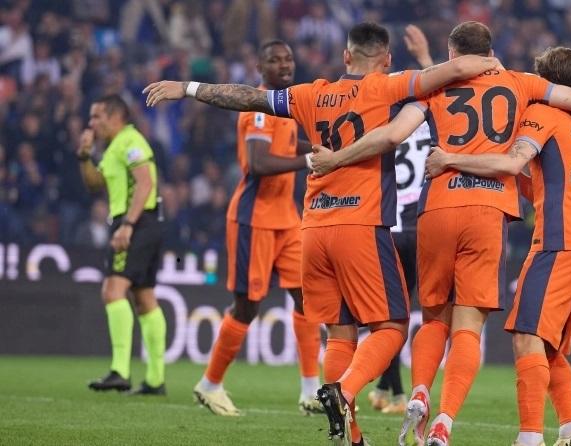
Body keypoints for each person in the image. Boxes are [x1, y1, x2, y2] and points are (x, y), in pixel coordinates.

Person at [144, 22, 500, 446]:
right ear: (387, 60)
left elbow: (247, 96)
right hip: (360, 224)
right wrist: (493, 64)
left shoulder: (311, 94)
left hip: (313, 227)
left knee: (340, 333)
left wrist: (186, 88)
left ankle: (350, 436)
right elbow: (456, 70)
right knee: (393, 327)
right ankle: (344, 390)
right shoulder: (390, 86)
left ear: (346, 56)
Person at [309, 23, 571, 446]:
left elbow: (392, 135)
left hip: (437, 208)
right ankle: (444, 421)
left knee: (433, 318)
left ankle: (419, 391)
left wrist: (336, 159)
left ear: (451, 56)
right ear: (490, 52)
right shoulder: (520, 83)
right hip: (488, 209)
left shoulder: (435, 87)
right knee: (468, 326)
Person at [425, 46, 571, 446]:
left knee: (526, 336)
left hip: (559, 243)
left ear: (548, 83)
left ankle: (529, 438)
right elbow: (539, 183)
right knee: (549, 346)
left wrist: (451, 159)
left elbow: (511, 163)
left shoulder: (544, 113)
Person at [191, 40, 324, 417]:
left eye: (288, 58)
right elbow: (258, 163)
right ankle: (210, 385)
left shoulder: (284, 107)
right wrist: (310, 160)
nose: (284, 65)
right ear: (260, 69)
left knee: (307, 299)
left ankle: (310, 391)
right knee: (247, 307)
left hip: (287, 218)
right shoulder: (257, 111)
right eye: (274, 60)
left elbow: (287, 144)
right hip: (254, 218)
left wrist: (315, 145)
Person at [77, 94, 167, 396]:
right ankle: (155, 380)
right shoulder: (115, 146)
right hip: (145, 221)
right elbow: (95, 184)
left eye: (97, 116)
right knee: (144, 298)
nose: (92, 123)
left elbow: (145, 183)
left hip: (136, 221)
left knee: (112, 290)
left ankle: (120, 371)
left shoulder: (130, 141)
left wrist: (127, 225)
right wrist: (84, 156)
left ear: (116, 117)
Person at [367, 24, 434, 416]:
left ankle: (391, 391)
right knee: (415, 312)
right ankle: (389, 389)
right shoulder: (429, 115)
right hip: (422, 225)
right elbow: (444, 88)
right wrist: (425, 58)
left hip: (390, 225)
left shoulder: (384, 122)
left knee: (392, 313)